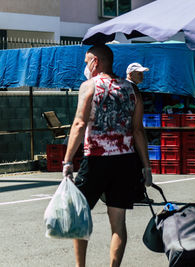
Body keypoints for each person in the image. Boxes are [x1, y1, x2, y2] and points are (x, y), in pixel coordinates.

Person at [62, 45, 152, 267]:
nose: (85, 66)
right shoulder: (132, 90)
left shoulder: (89, 86)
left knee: (80, 216)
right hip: (126, 161)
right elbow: (138, 130)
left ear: (95, 62)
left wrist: (67, 161)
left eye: (86, 62)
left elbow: (79, 123)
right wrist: (146, 167)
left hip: (96, 160)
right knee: (118, 223)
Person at [126, 62, 153, 204]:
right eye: (139, 73)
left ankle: (133, 193)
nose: (142, 76)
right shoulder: (133, 89)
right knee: (137, 163)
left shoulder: (124, 87)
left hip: (125, 133)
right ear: (130, 74)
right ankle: (138, 195)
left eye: (142, 73)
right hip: (132, 132)